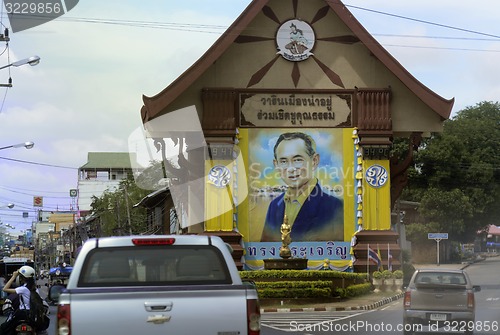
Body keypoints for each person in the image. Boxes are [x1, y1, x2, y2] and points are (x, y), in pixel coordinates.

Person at [261, 132, 343, 242]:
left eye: (297, 160)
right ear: (276, 165)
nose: (290, 169)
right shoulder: (275, 205)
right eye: (284, 161)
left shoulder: (335, 207)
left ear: (314, 161)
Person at [0, 266, 49, 334]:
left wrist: (14, 276)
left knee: (4, 328)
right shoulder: (35, 290)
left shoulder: (23, 289)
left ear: (22, 278)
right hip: (32, 315)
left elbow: (4, 289)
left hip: (22, 314)